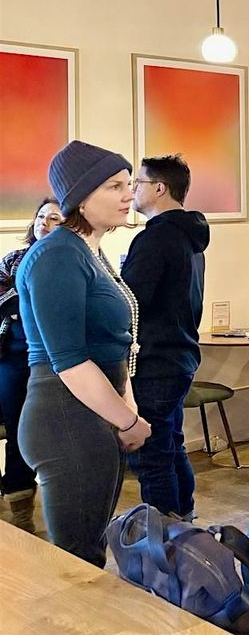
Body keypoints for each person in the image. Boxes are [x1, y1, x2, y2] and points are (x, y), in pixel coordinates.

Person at [16, 141, 150, 565]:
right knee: (78, 563)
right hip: (65, 419)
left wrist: (125, 409)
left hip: (93, 415)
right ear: (81, 197)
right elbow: (70, 362)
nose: (129, 195)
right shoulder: (56, 255)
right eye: (115, 186)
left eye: (129, 184)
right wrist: (128, 421)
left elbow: (115, 344)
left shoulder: (88, 249)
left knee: (91, 549)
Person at [122, 155, 210, 521]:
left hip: (156, 362)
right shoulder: (189, 235)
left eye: (137, 183)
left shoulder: (156, 237)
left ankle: (165, 537)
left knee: (153, 456)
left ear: (159, 188)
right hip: (179, 357)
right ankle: (184, 521)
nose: (131, 190)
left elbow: (131, 301)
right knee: (171, 445)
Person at [0, 198, 63, 531]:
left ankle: (24, 505)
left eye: (54, 218)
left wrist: (21, 301)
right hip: (10, 355)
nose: (44, 222)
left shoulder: (70, 262)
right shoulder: (14, 259)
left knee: (31, 434)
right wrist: (25, 300)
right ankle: (16, 504)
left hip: (50, 360)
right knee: (16, 429)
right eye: (40, 216)